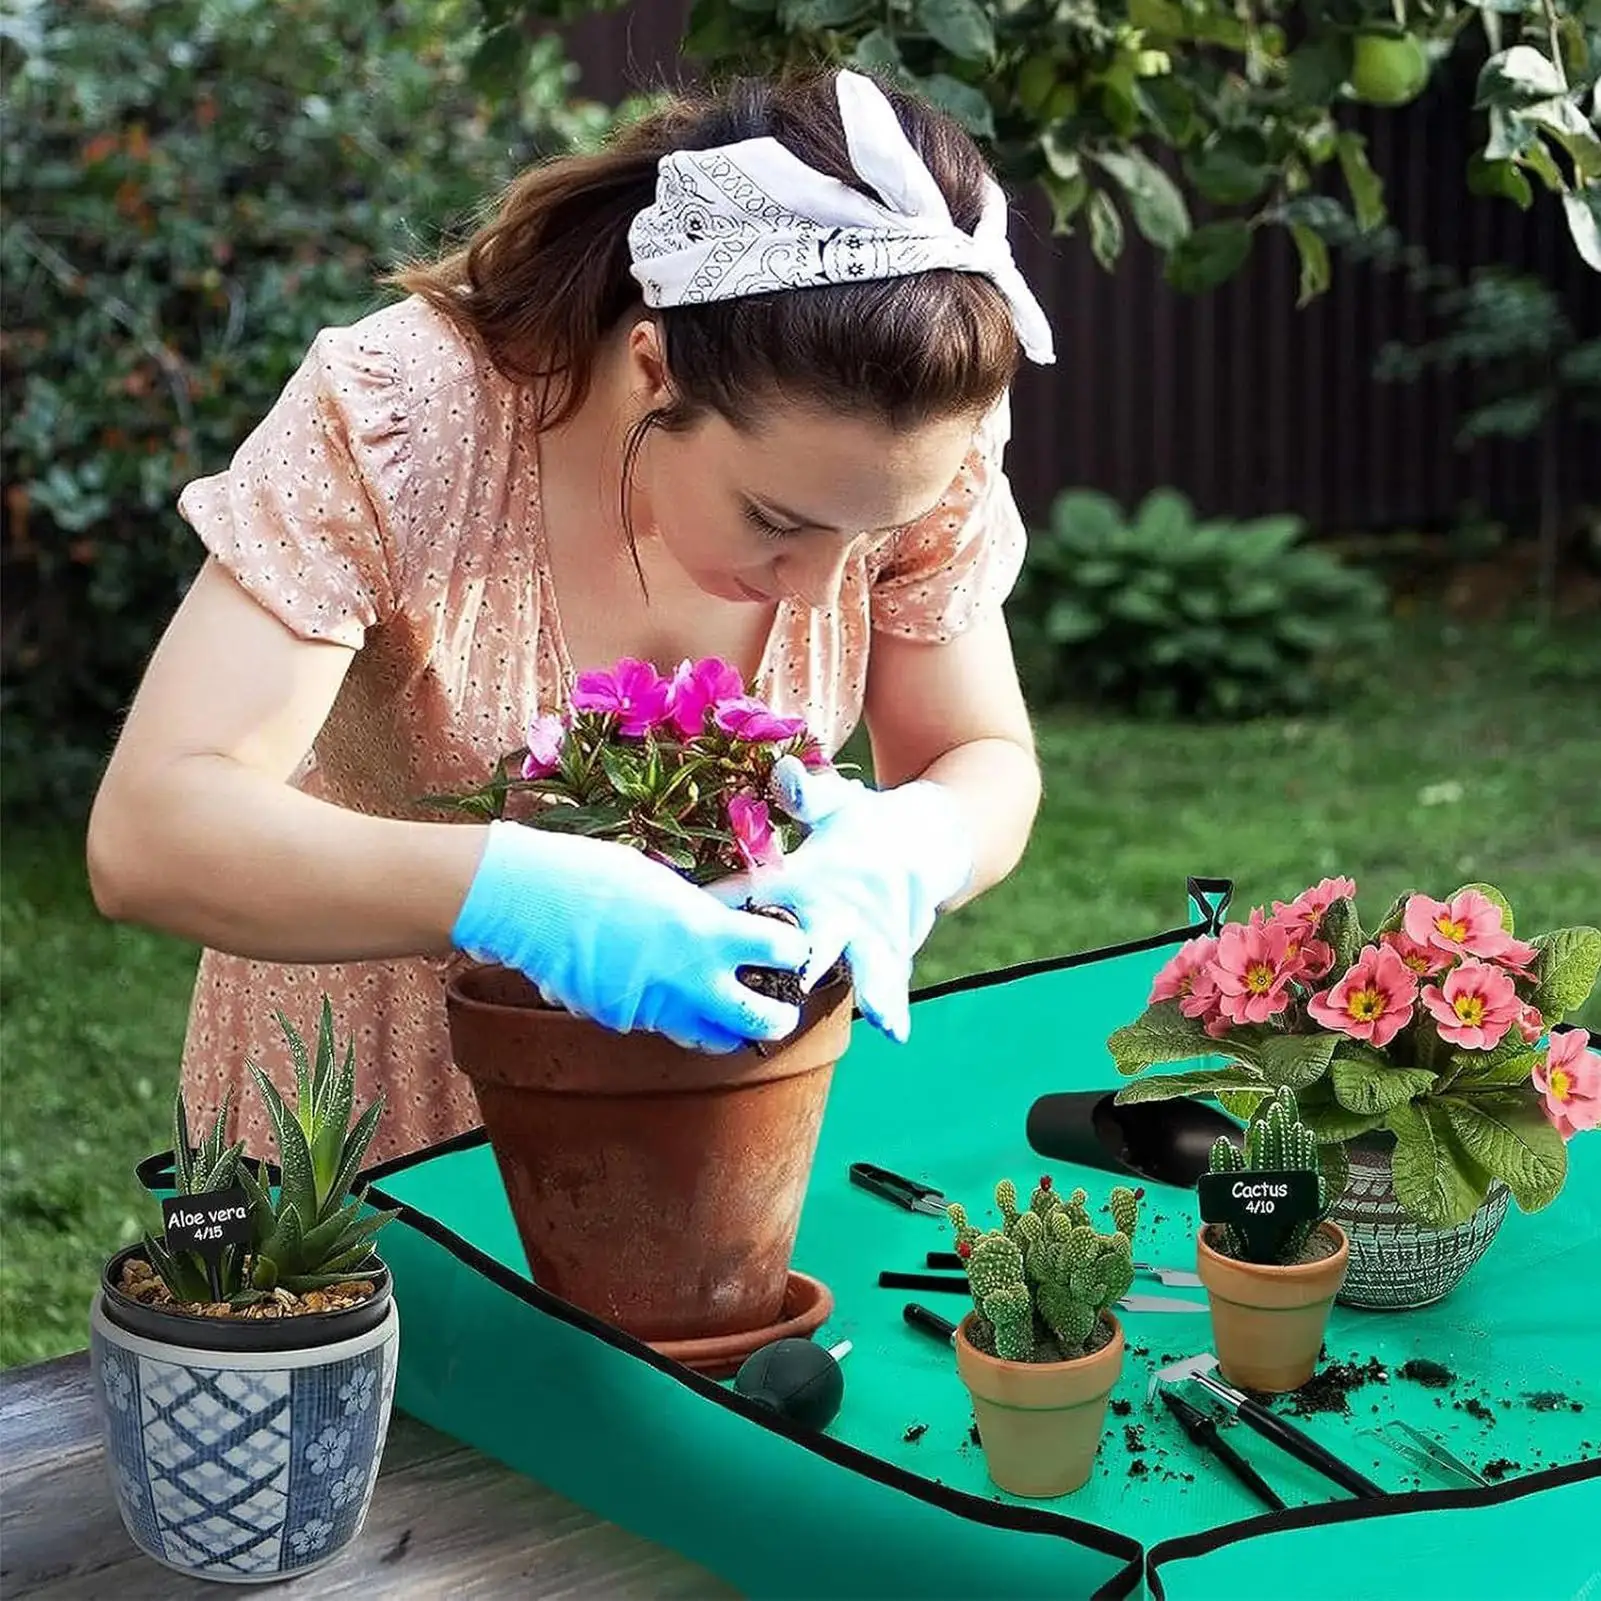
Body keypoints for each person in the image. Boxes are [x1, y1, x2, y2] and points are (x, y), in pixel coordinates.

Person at [86, 66, 1052, 1163]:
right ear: (654, 368)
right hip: (370, 1105)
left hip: (713, 1101)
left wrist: (920, 842)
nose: (819, 585)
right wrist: (514, 894)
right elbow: (152, 831)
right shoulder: (405, 419)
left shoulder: (905, 452)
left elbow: (977, 753)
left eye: (868, 539)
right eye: (775, 518)